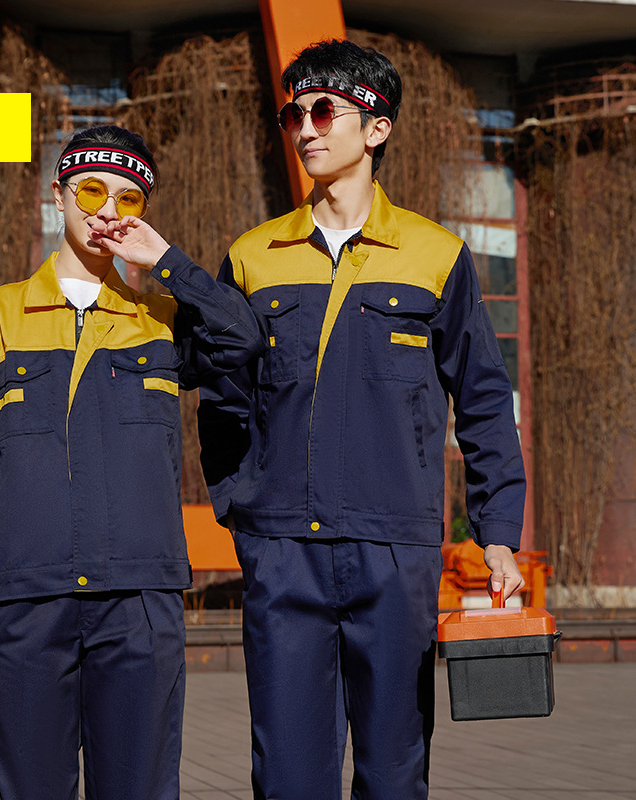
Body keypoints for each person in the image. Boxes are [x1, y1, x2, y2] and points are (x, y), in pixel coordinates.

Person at [197, 40, 526, 800]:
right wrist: (242, 507)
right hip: (283, 552)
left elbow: (482, 398)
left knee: (394, 769)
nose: (306, 128)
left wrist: (498, 531)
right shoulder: (254, 257)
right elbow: (223, 396)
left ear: (377, 129)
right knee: (287, 774)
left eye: (324, 110)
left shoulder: (435, 255)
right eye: (294, 115)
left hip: (395, 551)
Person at [0, 124, 264, 800]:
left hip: (139, 601)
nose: (107, 210)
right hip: (27, 598)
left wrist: (166, 261)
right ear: (58, 195)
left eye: (127, 198)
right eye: (91, 191)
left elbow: (243, 338)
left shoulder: (162, 320)